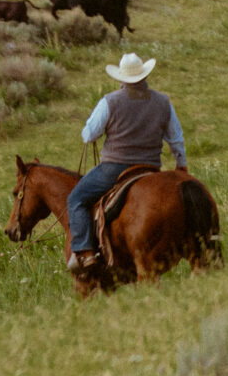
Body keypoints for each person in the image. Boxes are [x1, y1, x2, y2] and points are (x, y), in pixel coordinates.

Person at [66, 52, 185, 272]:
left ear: (121, 78)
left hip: (114, 168)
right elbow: (176, 138)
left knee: (76, 199)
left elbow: (89, 135)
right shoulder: (162, 102)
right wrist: (181, 165)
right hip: (150, 168)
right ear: (144, 75)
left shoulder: (110, 101)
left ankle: (85, 251)